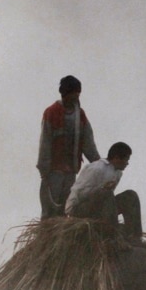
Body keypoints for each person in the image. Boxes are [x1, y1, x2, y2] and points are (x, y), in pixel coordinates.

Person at [37, 75, 101, 219]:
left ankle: (61, 235)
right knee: (50, 208)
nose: (76, 97)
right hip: (53, 171)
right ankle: (47, 236)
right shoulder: (51, 113)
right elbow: (45, 142)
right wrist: (44, 169)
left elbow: (88, 142)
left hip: (71, 170)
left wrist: (99, 164)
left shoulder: (80, 115)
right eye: (73, 93)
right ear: (64, 93)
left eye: (78, 93)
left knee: (66, 208)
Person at [66, 141, 145, 245]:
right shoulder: (96, 169)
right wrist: (101, 190)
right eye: (126, 160)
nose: (127, 163)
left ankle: (134, 236)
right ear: (117, 158)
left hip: (101, 208)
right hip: (80, 209)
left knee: (130, 195)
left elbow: (109, 200)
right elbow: (79, 192)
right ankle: (113, 237)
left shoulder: (118, 173)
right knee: (106, 193)